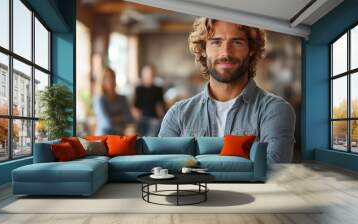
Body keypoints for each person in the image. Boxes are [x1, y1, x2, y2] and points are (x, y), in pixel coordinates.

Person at [158, 17, 296, 163]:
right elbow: (163, 170)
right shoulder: (178, 115)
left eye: (237, 42)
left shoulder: (274, 110)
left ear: (251, 49)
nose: (226, 53)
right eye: (216, 42)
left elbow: (272, 172)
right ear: (203, 49)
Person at [93, 67, 134, 135]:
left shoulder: (122, 98)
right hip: (103, 136)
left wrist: (112, 117)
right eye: (107, 78)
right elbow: (106, 122)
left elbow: (130, 118)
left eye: (113, 77)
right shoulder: (99, 99)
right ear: (102, 81)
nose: (111, 80)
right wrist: (121, 117)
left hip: (121, 136)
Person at [132, 65, 166, 136]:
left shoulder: (158, 89)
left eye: (151, 74)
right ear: (143, 75)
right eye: (147, 74)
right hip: (142, 118)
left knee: (153, 130)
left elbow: (161, 106)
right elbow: (135, 107)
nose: (149, 76)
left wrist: (163, 119)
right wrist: (136, 119)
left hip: (154, 119)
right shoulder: (139, 89)